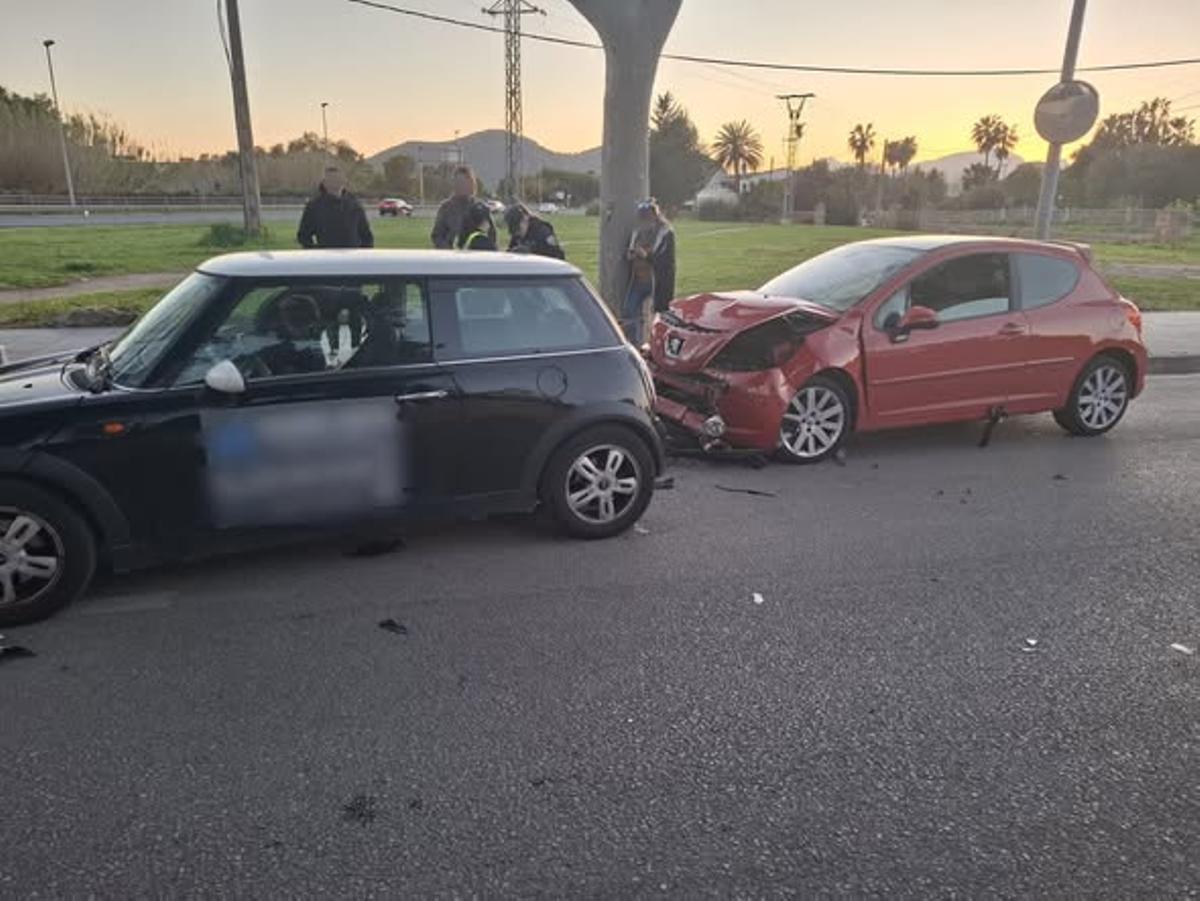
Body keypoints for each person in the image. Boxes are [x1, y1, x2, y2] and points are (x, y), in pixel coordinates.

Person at [622, 199, 676, 345]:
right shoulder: (638, 231)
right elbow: (629, 252)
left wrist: (645, 255)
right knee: (629, 311)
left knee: (658, 316)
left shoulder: (665, 232)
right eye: (642, 215)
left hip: (657, 281)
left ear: (654, 215)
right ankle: (636, 343)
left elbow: (662, 258)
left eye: (647, 215)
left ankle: (657, 346)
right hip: (638, 279)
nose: (645, 219)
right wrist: (633, 253)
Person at [296, 167, 374, 249]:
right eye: (331, 179)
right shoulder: (314, 206)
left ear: (343, 181)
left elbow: (366, 235)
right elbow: (303, 236)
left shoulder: (354, 204)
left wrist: (363, 256)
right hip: (326, 259)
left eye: (338, 179)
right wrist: (316, 253)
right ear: (324, 183)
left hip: (352, 259)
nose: (335, 182)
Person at [431, 166, 495, 249]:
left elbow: (492, 235)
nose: (461, 186)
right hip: (451, 257)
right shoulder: (446, 208)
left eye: (465, 182)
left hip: (476, 257)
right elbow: (437, 236)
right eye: (458, 182)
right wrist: (447, 249)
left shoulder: (481, 209)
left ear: (472, 184)